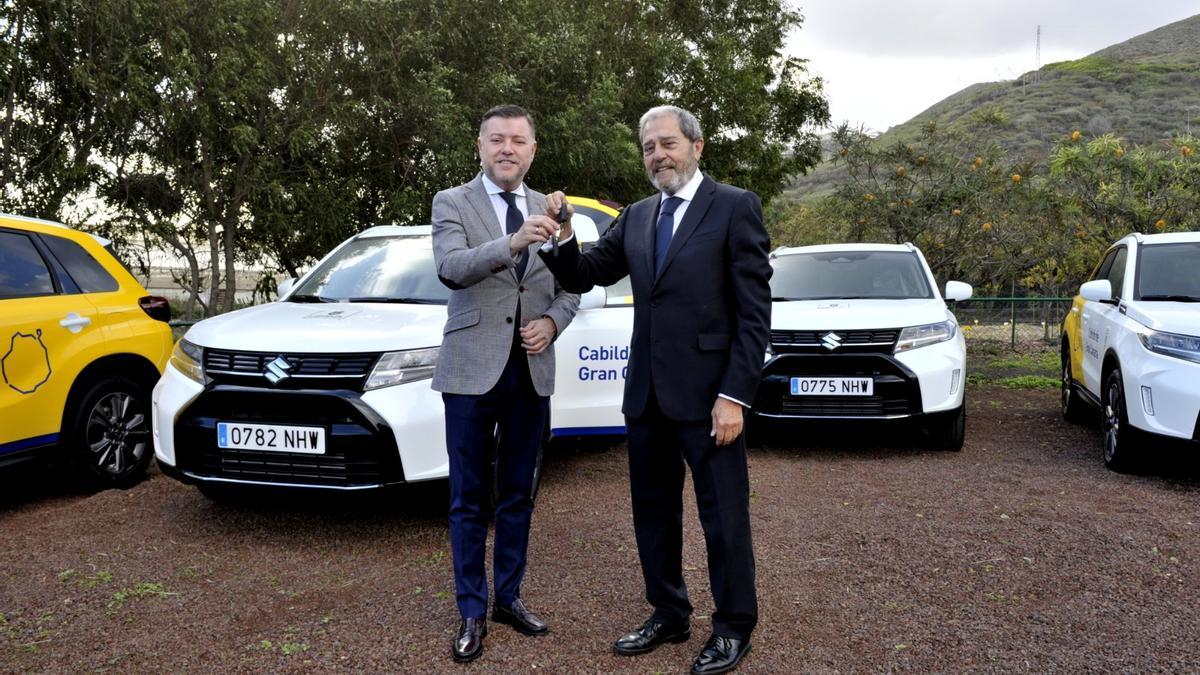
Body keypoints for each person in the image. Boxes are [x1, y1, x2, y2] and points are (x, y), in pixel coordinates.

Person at [534, 105, 771, 674]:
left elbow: (754, 313)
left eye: (668, 143)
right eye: (649, 147)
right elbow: (583, 273)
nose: (658, 155)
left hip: (712, 399)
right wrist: (563, 235)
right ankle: (669, 612)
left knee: (724, 517)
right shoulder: (638, 216)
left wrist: (735, 395)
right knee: (653, 513)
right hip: (646, 397)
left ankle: (734, 626)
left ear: (697, 146)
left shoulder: (735, 207)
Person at [431, 104, 580, 663]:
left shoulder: (554, 209)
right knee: (469, 497)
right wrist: (514, 242)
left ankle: (508, 599)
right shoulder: (452, 202)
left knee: (520, 493)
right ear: (480, 146)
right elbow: (452, 267)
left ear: (533, 150)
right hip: (471, 369)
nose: (507, 149)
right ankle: (471, 608)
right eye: (497, 139)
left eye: (518, 140)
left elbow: (572, 285)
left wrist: (553, 322)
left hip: (530, 372)